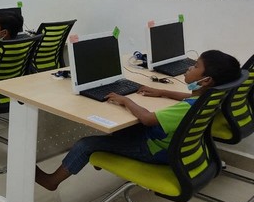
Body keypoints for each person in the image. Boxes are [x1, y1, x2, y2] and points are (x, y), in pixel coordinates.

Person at [35, 50, 241, 191]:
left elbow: (147, 118)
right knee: (117, 126)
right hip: (172, 147)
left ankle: (52, 181)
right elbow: (190, 97)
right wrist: (162, 92)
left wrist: (126, 100)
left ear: (205, 80)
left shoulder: (186, 108)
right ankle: (106, 154)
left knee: (85, 144)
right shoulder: (209, 99)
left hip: (153, 150)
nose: (188, 67)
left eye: (195, 66)